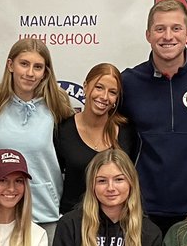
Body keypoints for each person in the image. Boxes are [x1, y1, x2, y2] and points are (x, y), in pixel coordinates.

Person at [122, 0, 187, 233]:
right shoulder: (128, 82)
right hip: (143, 210)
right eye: (160, 29)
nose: (168, 36)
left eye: (176, 28)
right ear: (148, 35)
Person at [0, 37, 73, 243]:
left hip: (45, 212)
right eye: (24, 64)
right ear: (10, 65)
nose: (30, 73)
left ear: (46, 72)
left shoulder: (57, 104)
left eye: (38, 67)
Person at [50, 149, 161, 246]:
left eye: (119, 179)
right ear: (92, 185)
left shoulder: (149, 233)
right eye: (102, 181)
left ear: (131, 182)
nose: (110, 188)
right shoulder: (70, 225)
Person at [54, 63, 137, 214]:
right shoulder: (62, 130)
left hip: (115, 219)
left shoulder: (127, 132)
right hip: (73, 218)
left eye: (112, 92)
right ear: (85, 87)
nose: (104, 97)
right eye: (99, 87)